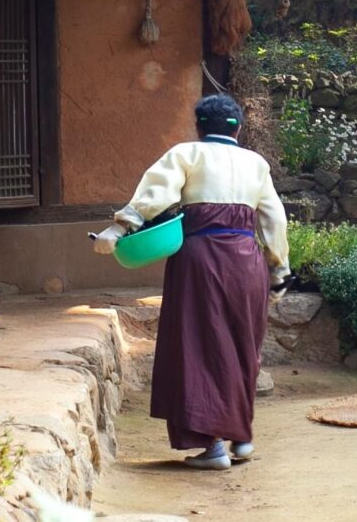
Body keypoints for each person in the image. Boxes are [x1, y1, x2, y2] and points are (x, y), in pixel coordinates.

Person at [93, 94, 289, 470]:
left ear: (199, 126)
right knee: (243, 346)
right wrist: (279, 270)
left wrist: (117, 227)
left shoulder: (187, 154)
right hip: (248, 262)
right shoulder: (257, 164)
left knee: (201, 346)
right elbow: (274, 220)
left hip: (201, 260)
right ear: (240, 128)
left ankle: (213, 448)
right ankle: (242, 438)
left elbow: (155, 194)